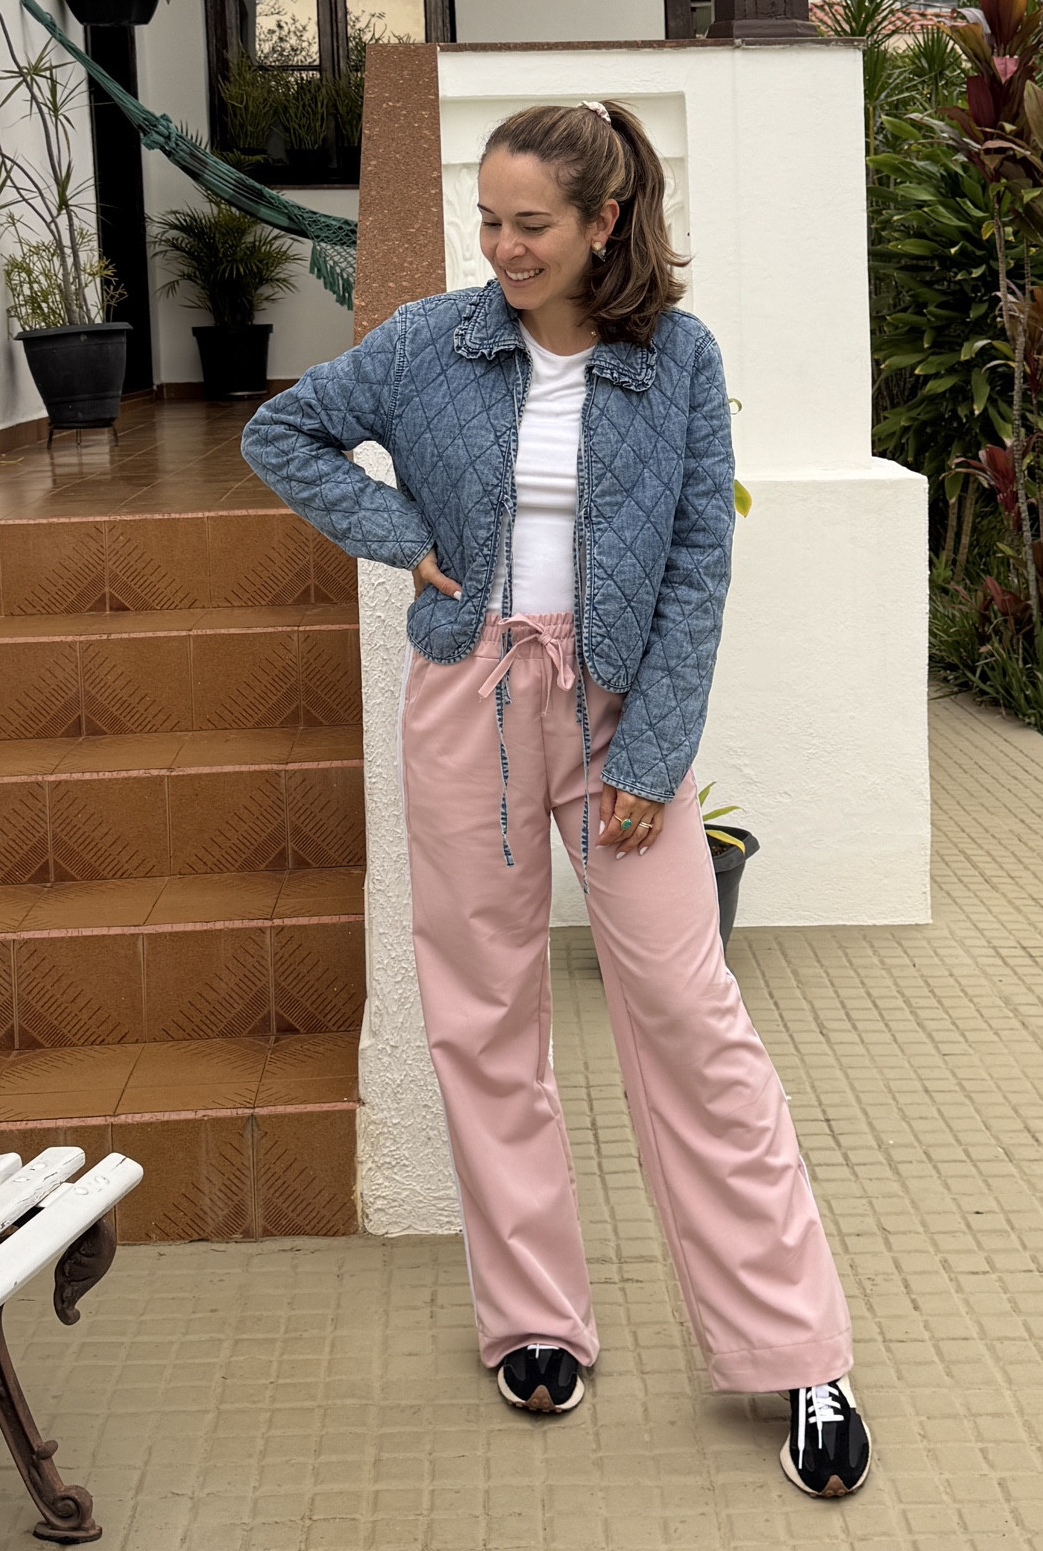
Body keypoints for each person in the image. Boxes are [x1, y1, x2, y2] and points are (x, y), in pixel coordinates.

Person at [241, 98, 870, 1498]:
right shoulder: (430, 343)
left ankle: (798, 1347)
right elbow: (283, 436)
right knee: (483, 1014)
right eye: (490, 219)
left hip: (618, 714)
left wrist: (653, 757)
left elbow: (701, 566)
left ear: (604, 224)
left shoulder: (678, 363)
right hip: (471, 704)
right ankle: (533, 1317)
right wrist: (401, 539)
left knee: (693, 1022)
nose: (503, 246)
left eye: (531, 223)